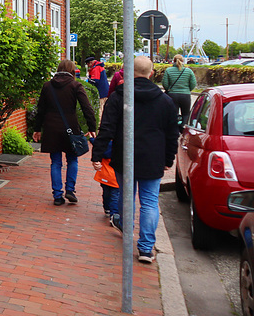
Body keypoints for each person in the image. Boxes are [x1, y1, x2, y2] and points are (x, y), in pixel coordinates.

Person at [91, 56, 178, 264]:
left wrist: (97, 154)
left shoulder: (119, 97)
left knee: (126, 197)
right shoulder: (165, 101)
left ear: (127, 72)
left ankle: (127, 235)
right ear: (151, 73)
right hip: (153, 158)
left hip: (124, 157)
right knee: (149, 202)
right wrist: (168, 159)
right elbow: (171, 134)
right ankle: (146, 249)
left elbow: (107, 128)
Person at [33, 59, 97, 206]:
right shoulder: (76, 85)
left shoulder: (47, 86)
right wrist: (92, 127)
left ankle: (57, 195)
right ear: (72, 71)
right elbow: (87, 107)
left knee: (55, 162)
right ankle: (70, 189)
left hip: (51, 128)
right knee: (72, 160)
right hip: (71, 128)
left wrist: (37, 129)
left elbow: (40, 110)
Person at [162, 54, 197, 131]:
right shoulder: (188, 71)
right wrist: (188, 90)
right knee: (186, 114)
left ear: (173, 61)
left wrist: (169, 89)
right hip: (185, 95)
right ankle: (183, 129)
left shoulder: (168, 70)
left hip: (172, 95)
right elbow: (193, 83)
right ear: (182, 61)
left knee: (173, 114)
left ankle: (174, 130)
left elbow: (165, 84)